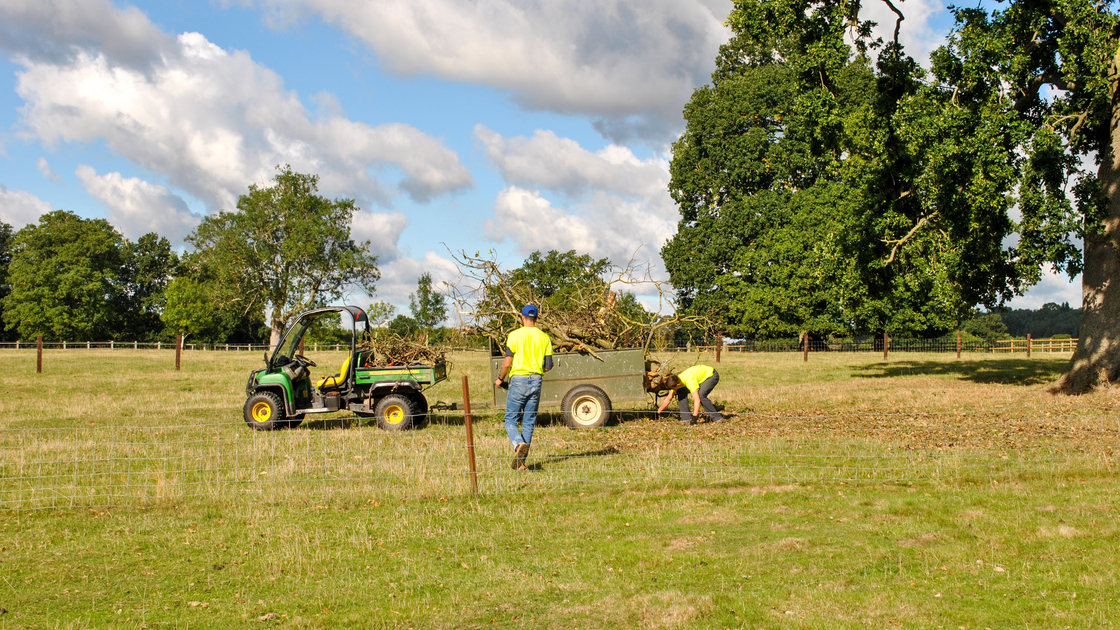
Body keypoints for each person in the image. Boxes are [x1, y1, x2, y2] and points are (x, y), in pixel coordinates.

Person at [494, 304, 554, 469]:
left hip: (518, 380)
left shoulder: (514, 336)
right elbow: (548, 366)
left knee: (510, 419)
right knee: (528, 422)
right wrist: (535, 370)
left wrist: (500, 379)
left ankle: (518, 443)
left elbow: (507, 363)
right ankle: (521, 463)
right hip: (536, 381)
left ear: (522, 317)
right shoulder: (544, 337)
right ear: (536, 318)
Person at [656, 364, 723, 425]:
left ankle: (717, 418)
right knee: (681, 391)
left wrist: (695, 416)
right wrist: (658, 411)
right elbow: (668, 398)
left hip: (711, 375)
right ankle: (686, 418)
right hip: (699, 377)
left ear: (678, 385)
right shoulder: (676, 381)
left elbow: (697, 400)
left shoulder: (690, 381)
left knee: (701, 395)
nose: (673, 390)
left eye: (673, 388)